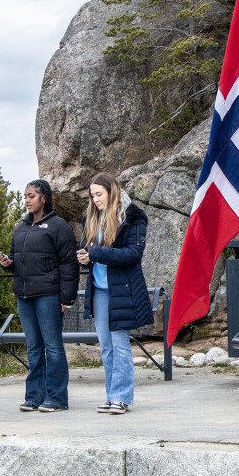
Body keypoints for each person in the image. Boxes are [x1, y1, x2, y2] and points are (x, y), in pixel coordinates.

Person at [77, 173, 153, 415]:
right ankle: (111, 396)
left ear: (112, 190)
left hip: (123, 290)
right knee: (106, 347)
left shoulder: (133, 217)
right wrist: (84, 258)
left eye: (99, 194)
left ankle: (122, 398)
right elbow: (91, 252)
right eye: (92, 195)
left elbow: (133, 255)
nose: (95, 199)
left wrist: (97, 254)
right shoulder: (92, 217)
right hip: (98, 290)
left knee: (120, 344)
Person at [0, 179, 78, 412]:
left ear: (43, 198)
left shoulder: (58, 226)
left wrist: (67, 298)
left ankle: (56, 398)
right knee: (33, 347)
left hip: (49, 296)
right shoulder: (19, 227)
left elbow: (69, 265)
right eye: (25, 196)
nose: (27, 200)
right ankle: (34, 396)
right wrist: (7, 263)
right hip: (24, 296)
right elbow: (15, 259)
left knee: (52, 346)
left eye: (31, 196)